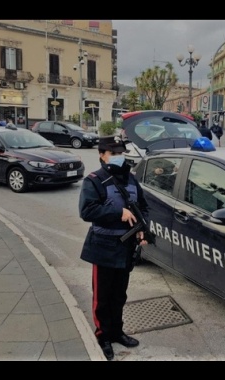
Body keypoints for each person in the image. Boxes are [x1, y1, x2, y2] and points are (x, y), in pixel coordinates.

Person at [78, 135, 150, 361]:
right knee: (103, 297)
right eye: (113, 153)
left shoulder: (131, 179)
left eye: (120, 153)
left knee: (119, 295)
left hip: (125, 248)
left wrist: (141, 228)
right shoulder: (94, 180)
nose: (118, 157)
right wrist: (118, 213)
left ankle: (117, 331)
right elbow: (87, 211)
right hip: (104, 247)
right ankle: (103, 336)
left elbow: (144, 207)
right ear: (102, 155)